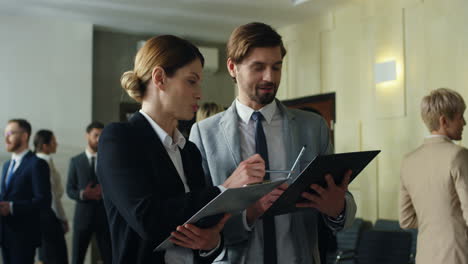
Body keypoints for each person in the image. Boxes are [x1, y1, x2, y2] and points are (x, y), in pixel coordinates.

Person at [190, 22, 357, 264]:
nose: (269, 77)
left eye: (276, 67)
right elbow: (199, 219)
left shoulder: (313, 127)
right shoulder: (204, 134)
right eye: (258, 67)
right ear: (232, 67)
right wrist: (248, 215)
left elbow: (344, 205)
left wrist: (338, 208)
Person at [97, 35, 266, 264]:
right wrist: (224, 189)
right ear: (160, 79)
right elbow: (148, 219)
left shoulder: (189, 152)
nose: (199, 93)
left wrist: (212, 243)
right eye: (191, 81)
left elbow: (205, 231)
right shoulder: (119, 139)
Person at [400, 88, 468, 264]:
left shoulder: (408, 161)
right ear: (444, 121)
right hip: (458, 254)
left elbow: (406, 220)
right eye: (461, 117)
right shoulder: (458, 155)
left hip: (424, 256)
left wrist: (436, 221)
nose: (465, 123)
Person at [0, 119, 51, 264]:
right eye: (5, 134)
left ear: (24, 136)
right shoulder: (7, 165)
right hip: (5, 235)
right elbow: (6, 195)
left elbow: (44, 201)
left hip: (24, 236)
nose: (6, 138)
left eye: (10, 133)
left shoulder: (37, 164)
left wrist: (11, 207)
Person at [66, 121, 112, 264]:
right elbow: (69, 189)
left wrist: (104, 193)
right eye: (95, 135)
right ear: (87, 136)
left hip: (104, 217)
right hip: (82, 218)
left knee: (109, 257)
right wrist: (83, 194)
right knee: (77, 258)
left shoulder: (109, 160)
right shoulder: (76, 161)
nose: (99, 139)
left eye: (101, 136)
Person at [34, 129, 69, 264]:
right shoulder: (44, 163)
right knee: (55, 257)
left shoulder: (38, 161)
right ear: (45, 145)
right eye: (54, 142)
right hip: (50, 218)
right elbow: (52, 195)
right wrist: (62, 218)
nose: (57, 144)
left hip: (42, 218)